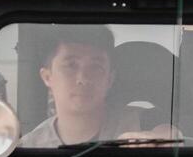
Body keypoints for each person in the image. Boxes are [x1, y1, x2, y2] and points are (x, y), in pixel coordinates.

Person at [20, 25, 161, 147]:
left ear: (110, 80)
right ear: (47, 77)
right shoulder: (27, 148)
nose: (83, 79)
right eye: (71, 66)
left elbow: (171, 132)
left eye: (96, 67)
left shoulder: (142, 123)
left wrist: (163, 138)